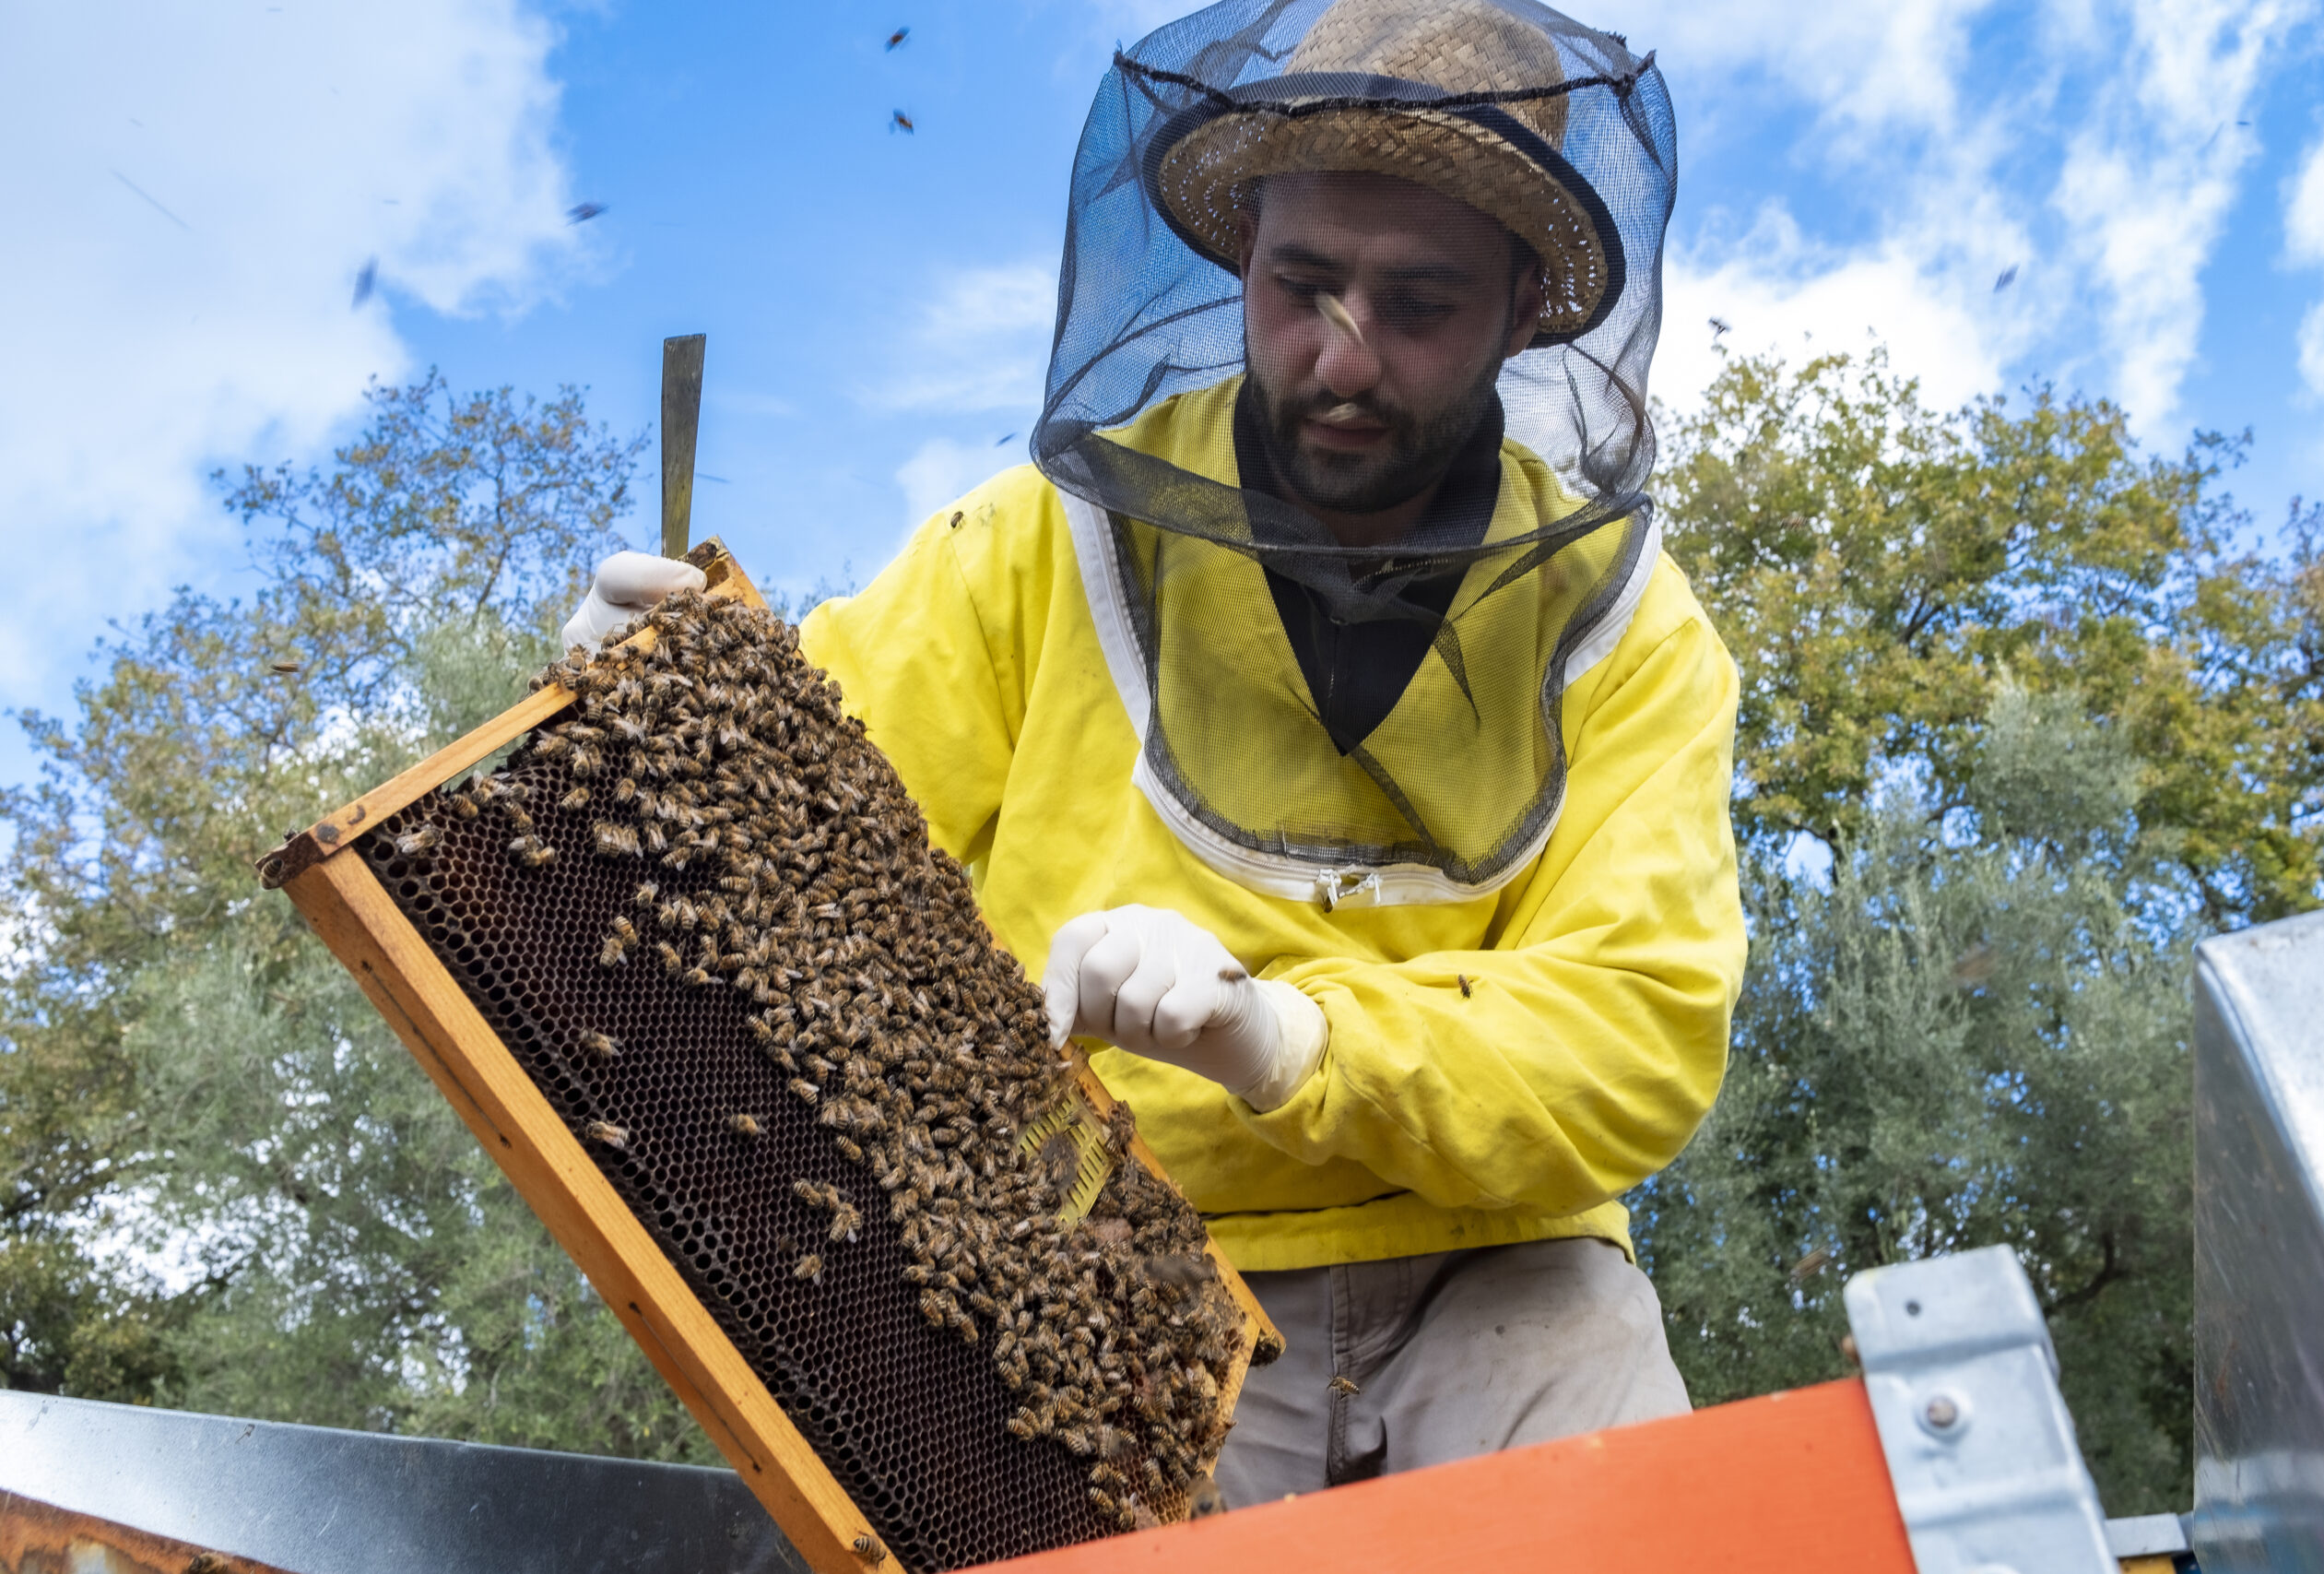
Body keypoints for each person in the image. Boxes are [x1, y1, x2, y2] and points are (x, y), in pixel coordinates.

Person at [565, 0, 1740, 1509]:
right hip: (1109, 1277)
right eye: (1302, 282)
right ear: (1241, 245)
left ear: (1528, 310)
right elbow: (772, 867)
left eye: (1423, 302)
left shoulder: (1630, 630)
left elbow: (1633, 1029)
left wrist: (1288, 1043)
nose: (1342, 358)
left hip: (1504, 1278)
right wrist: (625, 729)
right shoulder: (1030, 546)